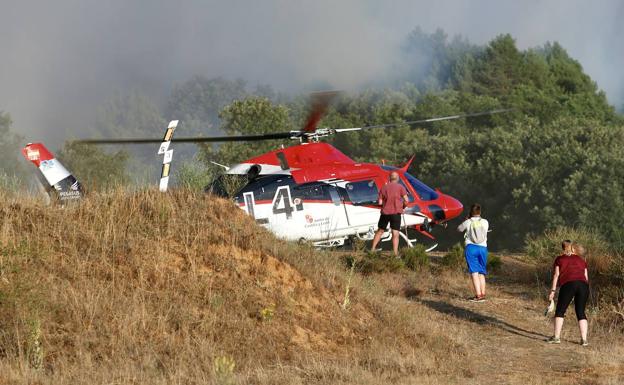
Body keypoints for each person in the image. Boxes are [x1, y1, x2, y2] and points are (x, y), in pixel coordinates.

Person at [547, 240, 590, 346]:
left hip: (569, 284)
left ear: (562, 248)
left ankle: (556, 337)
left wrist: (553, 291)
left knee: (560, 311)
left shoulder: (559, 259)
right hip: (583, 285)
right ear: (572, 248)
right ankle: (584, 340)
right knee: (581, 312)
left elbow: (556, 275)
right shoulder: (581, 260)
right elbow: (586, 277)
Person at [371, 171, 409, 256]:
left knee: (380, 231)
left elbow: (380, 202)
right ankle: (395, 254)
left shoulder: (384, 188)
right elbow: (406, 200)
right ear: (398, 178)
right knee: (395, 233)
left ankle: (372, 249)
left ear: (389, 178)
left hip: (385, 213)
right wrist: (402, 207)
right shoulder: (401, 187)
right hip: (396, 213)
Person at [457, 204, 489, 302]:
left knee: (474, 272)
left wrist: (467, 219)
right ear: (480, 212)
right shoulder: (485, 221)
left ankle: (478, 296)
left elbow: (459, 229)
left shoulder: (468, 222)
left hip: (471, 248)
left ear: (471, 212)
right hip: (483, 248)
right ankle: (483, 294)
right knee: (481, 272)